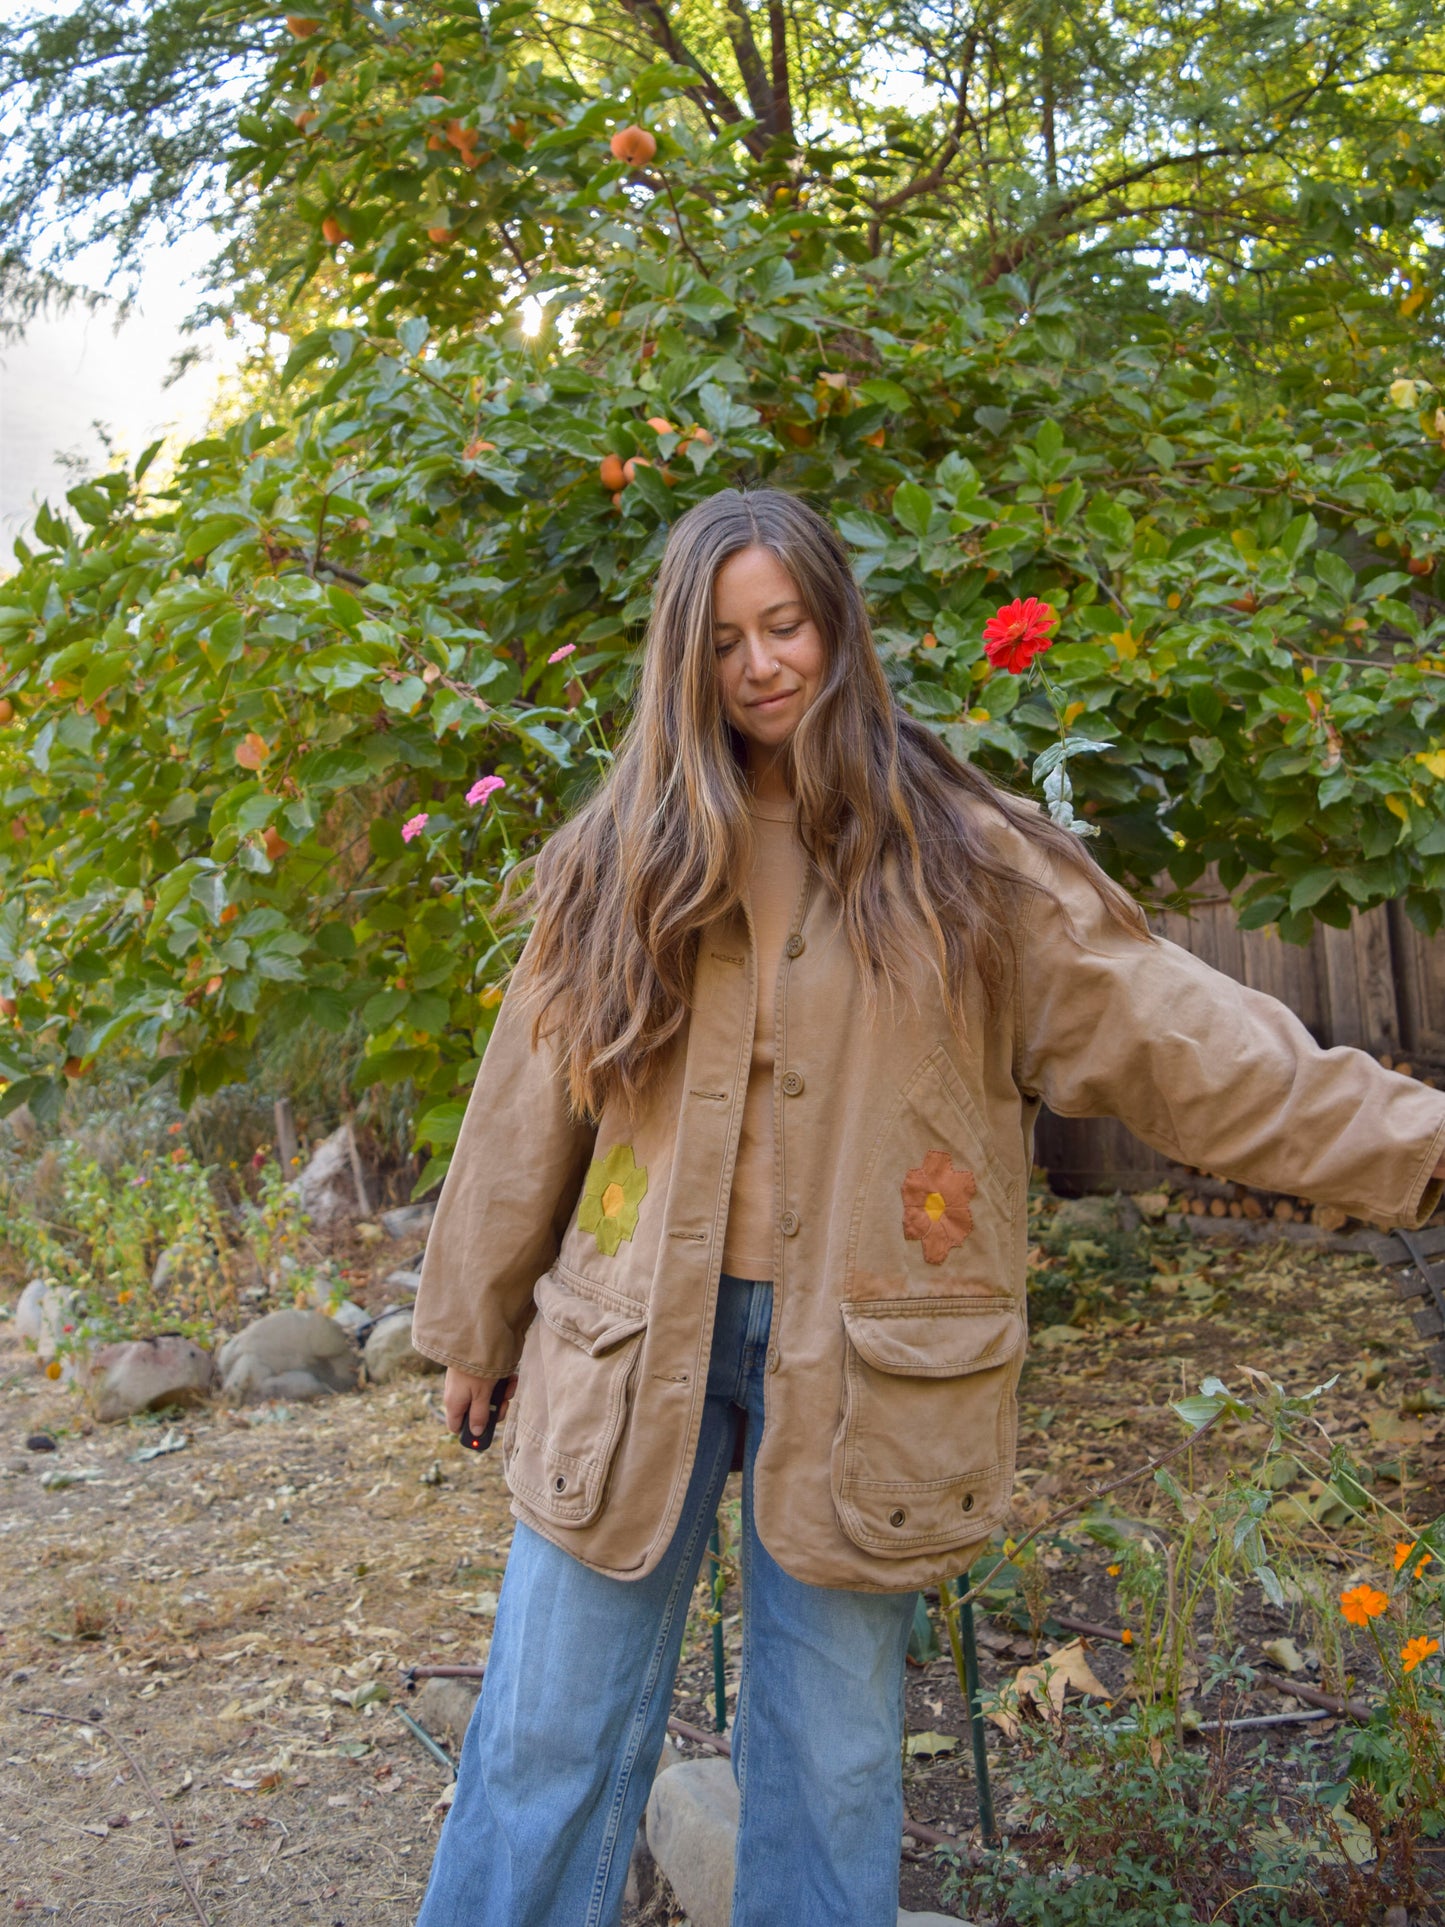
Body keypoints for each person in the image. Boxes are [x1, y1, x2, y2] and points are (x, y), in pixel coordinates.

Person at [410, 487, 1445, 1927]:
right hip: (626, 1337)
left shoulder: (962, 857)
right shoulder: (623, 856)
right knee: (543, 1729)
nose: (761, 664)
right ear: (681, 660)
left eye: (785, 625)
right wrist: (477, 1324)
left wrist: (1421, 1141)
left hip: (877, 1358)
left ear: (837, 624)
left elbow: (1187, 1039)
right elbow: (530, 1106)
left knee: (831, 1764)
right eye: (723, 641)